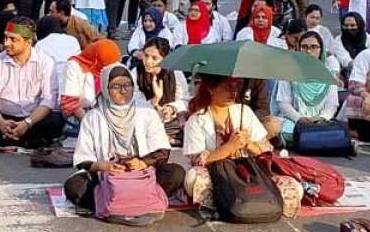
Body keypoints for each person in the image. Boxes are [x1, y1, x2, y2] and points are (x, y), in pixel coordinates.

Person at [63, 63, 185, 223]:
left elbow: (162, 150)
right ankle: (127, 202)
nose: (123, 91)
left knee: (176, 173)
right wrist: (105, 166)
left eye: (128, 85)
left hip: (142, 172)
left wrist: (142, 163)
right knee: (73, 186)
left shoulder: (146, 112)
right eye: (116, 87)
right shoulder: (93, 117)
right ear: (106, 89)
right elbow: (84, 159)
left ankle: (121, 203)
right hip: (108, 173)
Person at [0, 17, 65, 149]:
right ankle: (27, 140)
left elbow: (49, 101)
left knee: (56, 121)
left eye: (13, 39)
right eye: (6, 38)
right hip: (4, 117)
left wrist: (27, 123)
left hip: (34, 118)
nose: (6, 43)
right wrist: (2, 124)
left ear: (28, 42)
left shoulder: (45, 62)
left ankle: (13, 139)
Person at [181, 74, 275, 206]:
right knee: (193, 178)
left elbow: (267, 150)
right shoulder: (196, 120)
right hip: (216, 174)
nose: (233, 91)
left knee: (293, 187)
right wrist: (229, 147)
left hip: (247, 171)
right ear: (211, 88)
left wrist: (249, 144)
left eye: (235, 87)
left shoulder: (244, 112)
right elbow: (197, 160)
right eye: (227, 87)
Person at [275, 31, 341, 145]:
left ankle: (302, 139)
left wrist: (321, 119)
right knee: (274, 125)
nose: (309, 51)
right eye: (304, 47)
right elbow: (283, 104)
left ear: (321, 50)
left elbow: (331, 105)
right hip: (294, 122)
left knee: (336, 128)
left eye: (314, 47)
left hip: (320, 123)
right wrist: (299, 119)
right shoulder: (288, 74)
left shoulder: (328, 76)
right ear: (298, 49)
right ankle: (315, 139)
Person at [132, 37, 189, 143]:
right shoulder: (136, 73)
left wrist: (172, 108)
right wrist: (155, 101)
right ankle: (165, 138)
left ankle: (163, 137)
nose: (148, 61)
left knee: (188, 120)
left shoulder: (175, 73)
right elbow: (133, 103)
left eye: (154, 58)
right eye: (146, 55)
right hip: (145, 118)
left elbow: (184, 100)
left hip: (170, 121)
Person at [61, 39, 122, 124]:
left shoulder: (111, 66)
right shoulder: (73, 67)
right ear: (96, 60)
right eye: (105, 67)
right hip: (80, 115)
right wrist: (90, 125)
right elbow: (71, 104)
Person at [334, 12, 370, 81]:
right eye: (345, 26)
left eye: (352, 25)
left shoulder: (369, 39)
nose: (349, 28)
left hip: (369, 72)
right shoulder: (338, 40)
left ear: (360, 26)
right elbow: (344, 59)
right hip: (347, 73)